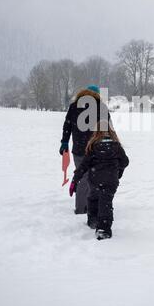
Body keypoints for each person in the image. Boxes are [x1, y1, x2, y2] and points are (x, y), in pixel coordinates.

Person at [69, 120, 129, 240]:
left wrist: (75, 181)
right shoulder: (116, 146)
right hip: (111, 180)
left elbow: (83, 166)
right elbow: (125, 162)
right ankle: (103, 227)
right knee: (105, 202)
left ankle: (94, 221)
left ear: (96, 132)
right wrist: (118, 173)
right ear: (111, 131)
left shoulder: (93, 146)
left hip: (95, 179)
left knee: (93, 198)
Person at [59, 85, 110, 215]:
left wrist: (64, 142)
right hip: (97, 149)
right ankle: (88, 208)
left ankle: (84, 207)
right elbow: (108, 128)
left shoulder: (74, 106)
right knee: (96, 178)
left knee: (82, 177)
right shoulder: (101, 107)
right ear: (98, 95)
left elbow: (67, 125)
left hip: (79, 149)